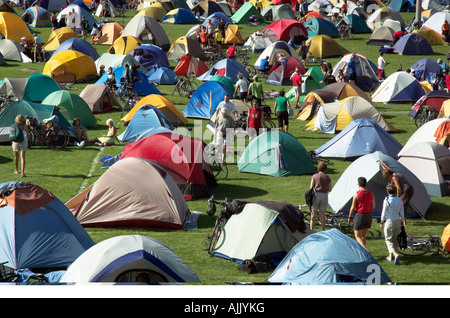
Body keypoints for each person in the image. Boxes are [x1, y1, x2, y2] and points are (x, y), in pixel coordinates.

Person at [348, 177, 375, 251]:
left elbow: (353, 207)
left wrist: (349, 216)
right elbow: (373, 206)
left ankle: (364, 250)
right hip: (369, 215)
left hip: (360, 215)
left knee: (357, 236)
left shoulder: (357, 194)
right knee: (363, 235)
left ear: (358, 184)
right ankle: (363, 251)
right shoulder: (371, 193)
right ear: (366, 184)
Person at [380, 184, 405, 265]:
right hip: (397, 221)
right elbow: (402, 212)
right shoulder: (399, 200)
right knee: (395, 239)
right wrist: (402, 221)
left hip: (389, 221)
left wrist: (382, 221)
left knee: (388, 239)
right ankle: (391, 256)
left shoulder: (387, 200)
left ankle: (395, 254)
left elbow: (384, 212)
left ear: (388, 191)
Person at [309, 161, 332, 232]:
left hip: (316, 195)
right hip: (324, 195)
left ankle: (311, 230)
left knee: (313, 214)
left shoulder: (314, 176)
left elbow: (311, 187)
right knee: (322, 214)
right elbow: (330, 189)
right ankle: (323, 230)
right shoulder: (327, 177)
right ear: (325, 169)